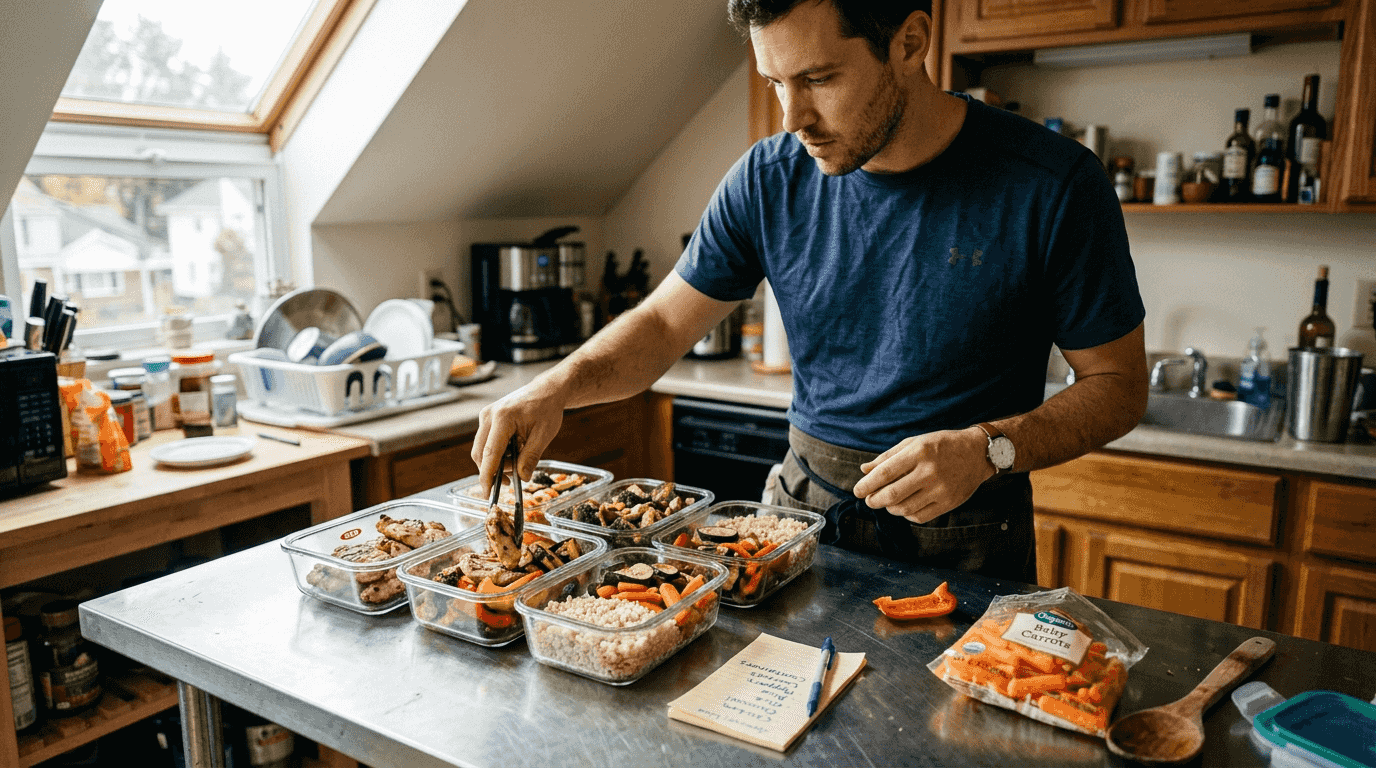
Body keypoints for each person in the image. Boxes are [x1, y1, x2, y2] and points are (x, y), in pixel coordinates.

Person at [472, 0, 1147, 583]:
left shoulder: (1053, 184)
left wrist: (989, 448)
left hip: (967, 532)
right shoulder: (767, 179)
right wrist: (554, 387)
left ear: (910, 42)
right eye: (774, 82)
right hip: (802, 515)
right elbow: (662, 326)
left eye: (818, 79)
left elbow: (1117, 385)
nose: (793, 117)